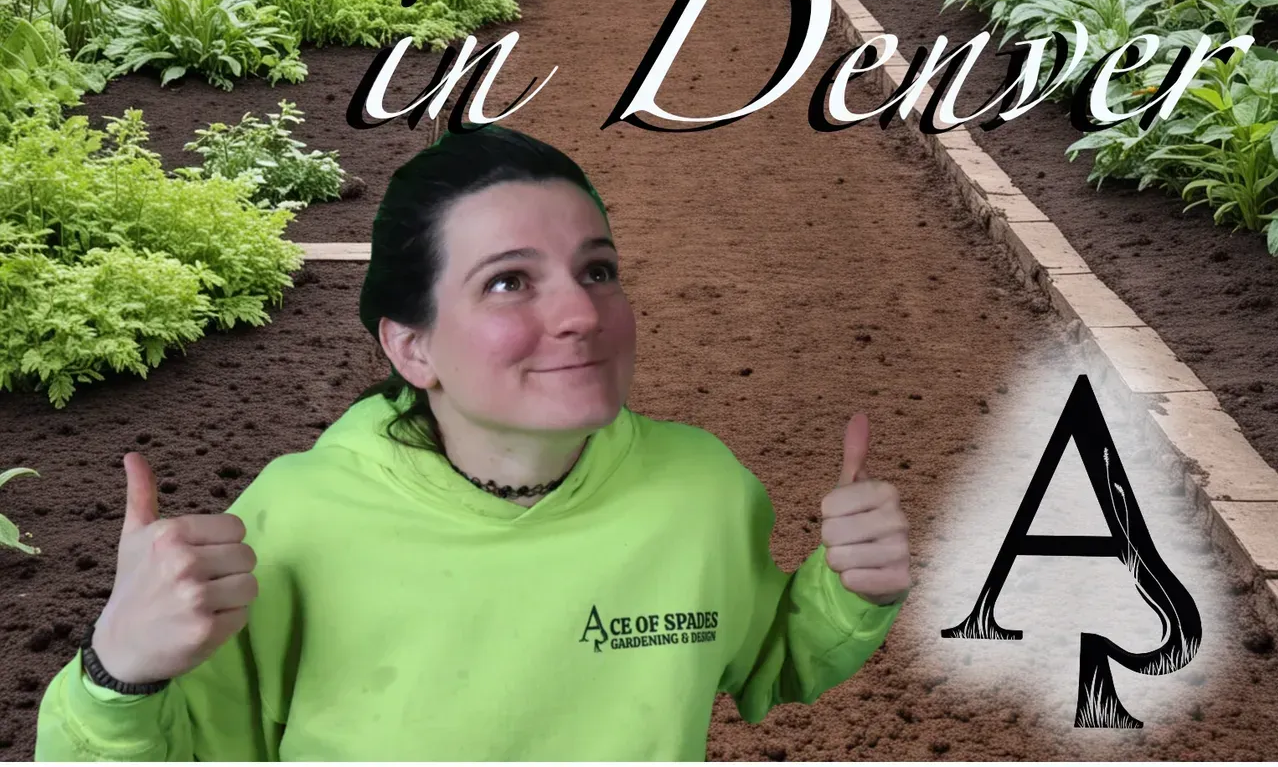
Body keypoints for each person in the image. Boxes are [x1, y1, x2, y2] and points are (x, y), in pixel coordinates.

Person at [35, 125, 911, 761]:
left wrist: (847, 591)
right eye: (508, 282)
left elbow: (769, 660)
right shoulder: (294, 522)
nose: (580, 314)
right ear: (411, 346)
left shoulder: (704, 490)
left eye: (597, 270)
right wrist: (121, 673)